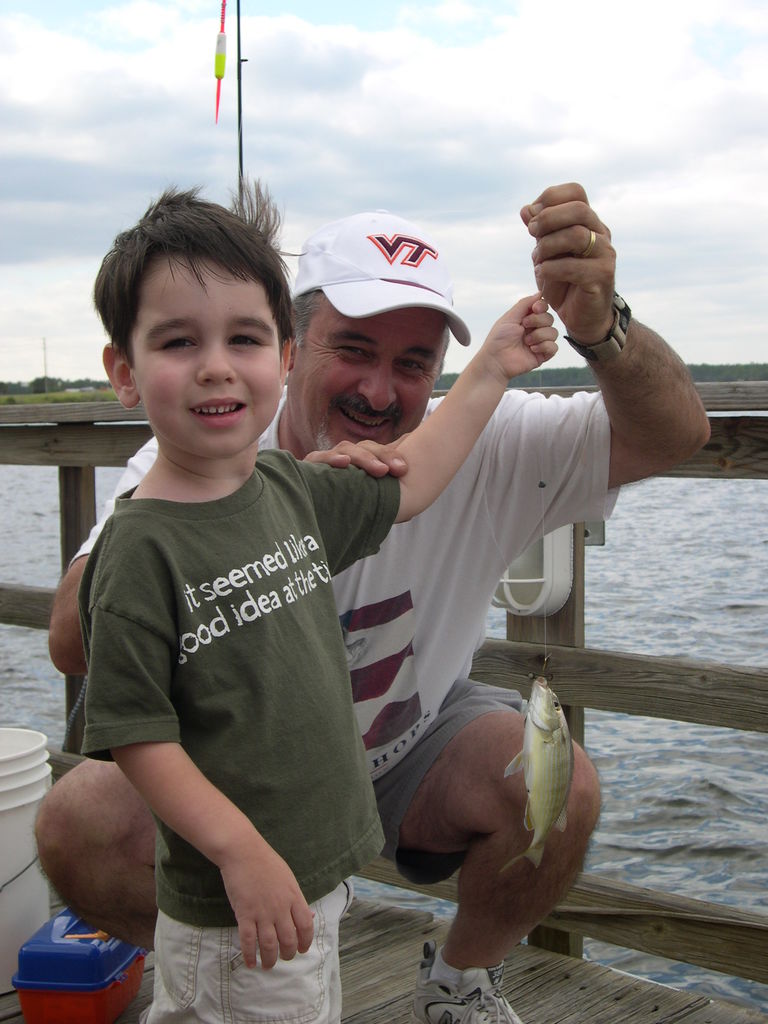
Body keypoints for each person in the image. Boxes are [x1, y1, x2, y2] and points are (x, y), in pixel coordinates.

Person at [41, 182, 710, 1024]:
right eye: (352, 349)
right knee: (79, 822)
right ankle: (217, 949)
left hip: (407, 744)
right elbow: (74, 641)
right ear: (294, 350)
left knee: (559, 785)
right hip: (237, 783)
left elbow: (674, 435)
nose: (380, 390)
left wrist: (586, 328)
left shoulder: (425, 452)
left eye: (414, 364)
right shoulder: (208, 464)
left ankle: (456, 981)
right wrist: (199, 517)